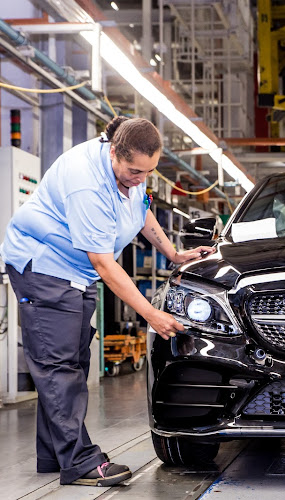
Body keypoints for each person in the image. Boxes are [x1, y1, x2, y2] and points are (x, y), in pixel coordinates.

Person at [0, 116, 215, 486]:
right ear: (113, 152)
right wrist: (151, 314)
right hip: (44, 266)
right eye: (133, 170)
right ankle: (80, 462)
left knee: (74, 361)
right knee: (59, 366)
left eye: (147, 171)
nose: (139, 177)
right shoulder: (87, 183)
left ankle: (52, 454)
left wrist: (174, 254)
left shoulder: (132, 171)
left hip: (75, 271)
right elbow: (103, 263)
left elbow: (141, 209)